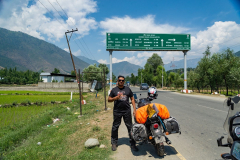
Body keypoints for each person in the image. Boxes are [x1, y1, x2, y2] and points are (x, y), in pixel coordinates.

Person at [108, 75, 138, 151]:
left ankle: (133, 143)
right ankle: (114, 143)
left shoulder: (128, 89)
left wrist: (134, 109)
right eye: (120, 80)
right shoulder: (114, 90)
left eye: (122, 80)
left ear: (124, 81)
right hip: (117, 111)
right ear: (117, 81)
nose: (121, 81)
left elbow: (132, 99)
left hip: (127, 111)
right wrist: (116, 98)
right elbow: (109, 99)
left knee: (130, 127)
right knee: (115, 127)